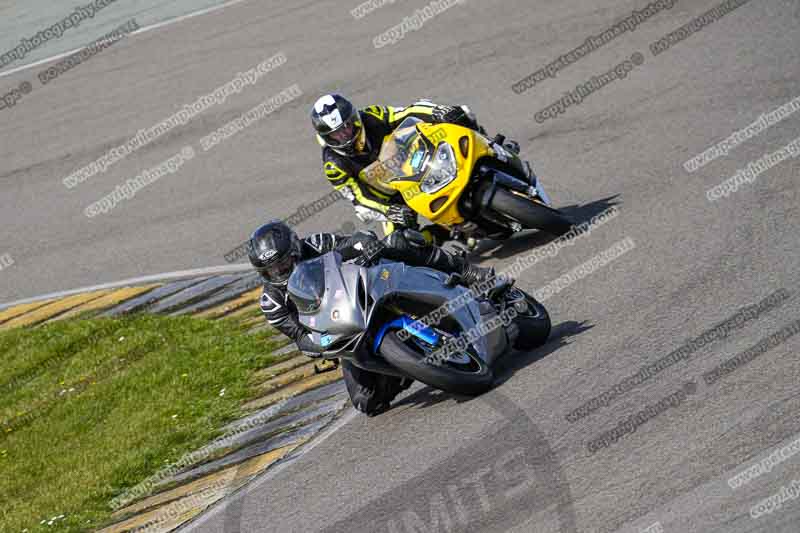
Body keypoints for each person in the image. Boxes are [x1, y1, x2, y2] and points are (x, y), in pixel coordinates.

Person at [248, 219, 495, 415]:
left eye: (283, 264)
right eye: (271, 271)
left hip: (363, 291)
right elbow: (299, 336)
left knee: (399, 243)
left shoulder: (317, 243)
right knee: (366, 402)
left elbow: (352, 243)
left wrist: (365, 243)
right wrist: (319, 345)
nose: (279, 272)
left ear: (295, 249)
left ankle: (467, 272)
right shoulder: (271, 302)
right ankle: (406, 367)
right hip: (340, 328)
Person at [310, 94, 523, 243]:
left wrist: (440, 111)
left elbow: (409, 111)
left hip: (413, 161)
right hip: (391, 197)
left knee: (462, 115)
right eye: (337, 134)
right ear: (326, 138)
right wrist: (388, 210)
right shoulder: (333, 165)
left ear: (354, 118)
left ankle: (492, 147)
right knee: (399, 245)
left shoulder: (371, 116)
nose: (345, 134)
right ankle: (443, 236)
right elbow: (359, 199)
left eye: (347, 126)